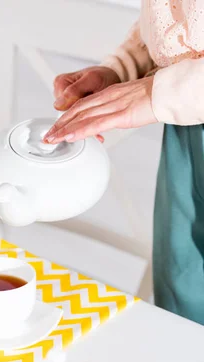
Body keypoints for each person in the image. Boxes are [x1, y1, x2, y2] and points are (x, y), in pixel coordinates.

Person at [43, 3, 204, 326]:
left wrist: (163, 92)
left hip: (184, 104)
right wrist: (124, 68)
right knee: (182, 304)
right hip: (187, 131)